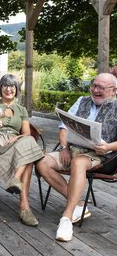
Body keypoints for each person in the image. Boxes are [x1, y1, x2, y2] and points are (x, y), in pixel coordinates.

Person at [36, 72, 117, 242]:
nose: (95, 90)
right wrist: (65, 147)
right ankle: (79, 204)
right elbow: (64, 127)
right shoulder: (81, 101)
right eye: (94, 86)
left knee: (78, 163)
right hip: (72, 150)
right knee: (42, 162)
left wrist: (108, 147)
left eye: (101, 87)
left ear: (113, 90)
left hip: (101, 156)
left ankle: (66, 218)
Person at [0, 74, 44, 226]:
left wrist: (17, 137)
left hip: (16, 142)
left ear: (16, 89)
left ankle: (21, 198)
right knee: (29, 158)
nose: (9, 89)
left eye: (12, 86)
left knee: (27, 144)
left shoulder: (21, 110)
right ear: (0, 88)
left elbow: (27, 134)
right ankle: (24, 207)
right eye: (5, 86)